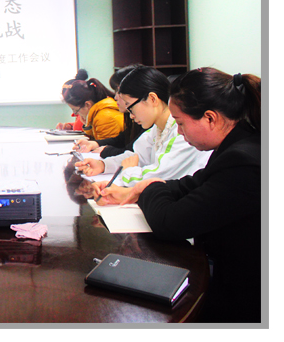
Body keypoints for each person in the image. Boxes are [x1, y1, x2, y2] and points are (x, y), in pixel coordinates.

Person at [92, 68, 261, 323]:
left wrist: (147, 188)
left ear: (210, 118)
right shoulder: (237, 144)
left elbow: (170, 222)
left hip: (246, 295)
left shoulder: (243, 160)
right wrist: (139, 190)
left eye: (181, 123)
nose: (179, 132)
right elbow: (192, 184)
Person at [75, 66, 210, 187]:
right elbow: (137, 156)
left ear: (152, 99)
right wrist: (103, 165)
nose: (131, 116)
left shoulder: (181, 132)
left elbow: (157, 176)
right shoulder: (158, 129)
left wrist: (128, 171)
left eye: (131, 107)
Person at [74, 64, 144, 157]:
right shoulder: (132, 118)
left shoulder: (106, 116)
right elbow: (121, 139)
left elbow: (133, 152)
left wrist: (106, 151)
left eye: (119, 92)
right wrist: (94, 143)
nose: (116, 97)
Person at [62, 75, 123, 140]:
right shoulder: (99, 113)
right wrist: (88, 125)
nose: (76, 114)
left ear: (87, 105)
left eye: (76, 110)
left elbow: (103, 145)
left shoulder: (105, 117)